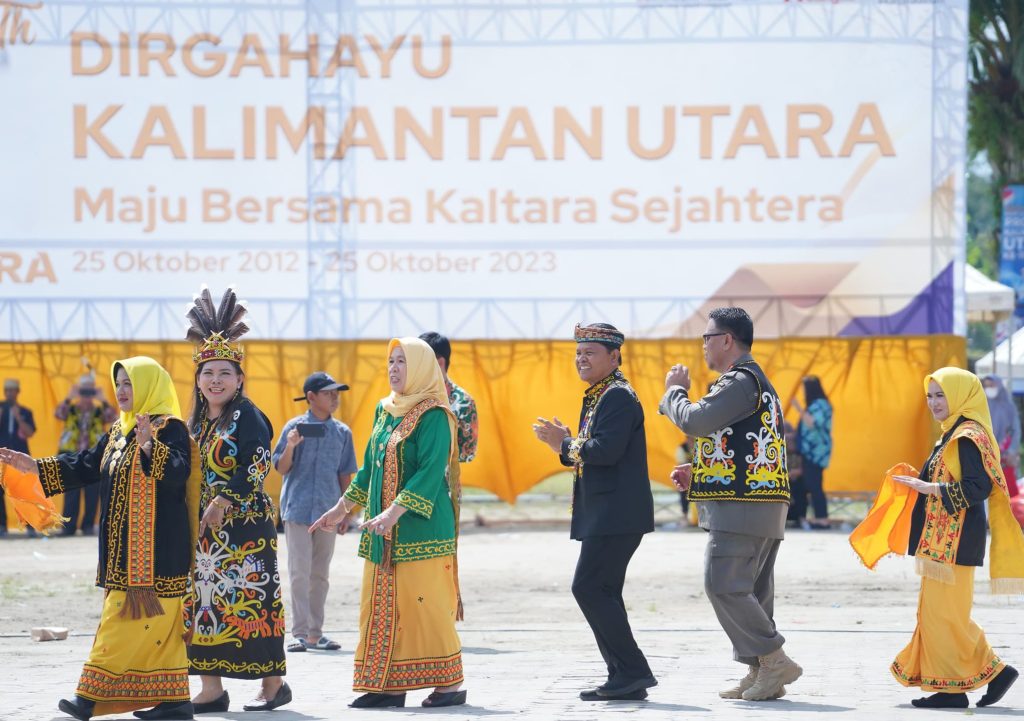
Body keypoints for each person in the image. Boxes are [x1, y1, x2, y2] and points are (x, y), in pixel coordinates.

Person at [0, 357, 199, 721]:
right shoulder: (117, 433)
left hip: (158, 555)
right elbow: (85, 465)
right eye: (119, 384)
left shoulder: (170, 430)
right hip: (122, 553)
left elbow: (178, 473)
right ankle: (175, 701)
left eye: (129, 384)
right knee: (161, 633)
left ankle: (87, 698)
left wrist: (150, 447)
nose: (122, 391)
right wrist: (34, 466)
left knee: (118, 625)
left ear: (149, 387)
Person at [851, 367, 1024, 709]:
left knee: (945, 616)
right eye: (929, 395)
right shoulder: (953, 433)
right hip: (943, 542)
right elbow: (949, 479)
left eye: (941, 395)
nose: (933, 402)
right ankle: (980, 678)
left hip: (955, 544)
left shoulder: (966, 436)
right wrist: (918, 480)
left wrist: (931, 487)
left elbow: (979, 487)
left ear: (961, 395)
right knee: (940, 615)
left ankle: (963, 685)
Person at [310, 337, 467, 709]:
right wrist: (341, 509)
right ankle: (389, 686)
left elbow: (429, 473)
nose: (394, 368)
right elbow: (368, 469)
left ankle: (449, 685)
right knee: (381, 607)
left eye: (402, 362)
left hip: (420, 530)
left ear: (423, 368)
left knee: (423, 607)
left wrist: (393, 512)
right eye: (391, 361)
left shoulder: (435, 415)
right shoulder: (385, 411)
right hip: (383, 531)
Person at [660, 307, 801, 701]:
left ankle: (774, 660)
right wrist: (701, 467)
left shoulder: (739, 380)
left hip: (744, 506)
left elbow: (695, 420)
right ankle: (761, 673)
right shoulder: (750, 381)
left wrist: (674, 391)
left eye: (707, 337)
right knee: (750, 590)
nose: (703, 346)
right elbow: (738, 440)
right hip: (756, 503)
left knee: (722, 584)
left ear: (726, 340)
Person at [533, 322, 657, 702]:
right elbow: (593, 449)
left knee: (588, 587)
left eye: (590, 353)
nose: (581, 359)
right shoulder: (601, 394)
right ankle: (623, 675)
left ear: (615, 356)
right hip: (608, 511)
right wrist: (568, 442)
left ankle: (633, 670)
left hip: (615, 513)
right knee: (602, 590)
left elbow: (605, 452)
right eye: (578, 353)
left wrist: (565, 442)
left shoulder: (617, 395)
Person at [183, 287, 290, 714]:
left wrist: (224, 499)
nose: (215, 380)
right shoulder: (197, 420)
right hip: (207, 534)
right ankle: (212, 689)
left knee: (253, 602)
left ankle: (273, 686)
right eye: (208, 373)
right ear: (197, 378)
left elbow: (258, 463)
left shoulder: (249, 415)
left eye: (224, 373)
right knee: (207, 602)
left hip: (246, 528)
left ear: (240, 378)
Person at [272, 371, 358, 654]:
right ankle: (298, 633)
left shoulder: (342, 433)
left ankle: (315, 634)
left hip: (328, 512)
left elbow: (346, 474)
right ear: (311, 397)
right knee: (299, 572)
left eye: (337, 393)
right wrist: (291, 446)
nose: (335, 398)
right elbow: (281, 468)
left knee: (320, 574)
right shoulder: (294, 428)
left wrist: (347, 513)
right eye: (328, 393)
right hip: (297, 510)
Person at [56, 375, 118, 536]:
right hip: (71, 455)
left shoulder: (99, 411)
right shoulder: (70, 408)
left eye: (90, 391)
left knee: (92, 492)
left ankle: (88, 526)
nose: (86, 395)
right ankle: (68, 527)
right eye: (83, 391)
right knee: (71, 492)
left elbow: (114, 417)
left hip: (93, 456)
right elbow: (58, 414)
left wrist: (103, 400)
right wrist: (70, 396)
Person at [419, 332, 479, 463]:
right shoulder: (408, 396)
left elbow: (468, 453)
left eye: (421, 361)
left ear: (440, 363)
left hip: (444, 482)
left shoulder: (463, 402)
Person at [792, 376, 833, 529]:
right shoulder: (818, 404)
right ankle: (803, 517)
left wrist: (798, 408)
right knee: (805, 484)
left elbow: (813, 423)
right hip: (810, 452)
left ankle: (822, 519)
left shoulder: (821, 405)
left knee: (815, 485)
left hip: (816, 452)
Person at [0, 378, 36, 535]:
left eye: (12, 390)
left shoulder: (25, 412)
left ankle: (29, 526)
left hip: (20, 458)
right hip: (1, 456)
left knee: (23, 491)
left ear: (17, 392)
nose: (9, 394)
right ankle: (2, 526)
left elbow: (29, 432)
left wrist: (18, 417)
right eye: (6, 390)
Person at [982, 374, 1020, 497]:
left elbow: (1015, 429)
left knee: (1007, 488)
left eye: (992, 385)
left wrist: (1011, 450)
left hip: (1005, 453)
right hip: (987, 452)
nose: (989, 388)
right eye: (986, 386)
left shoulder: (1009, 406)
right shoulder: (982, 405)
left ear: (998, 385)